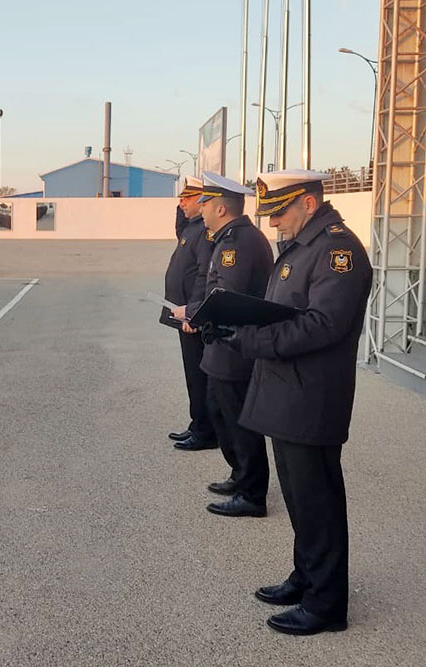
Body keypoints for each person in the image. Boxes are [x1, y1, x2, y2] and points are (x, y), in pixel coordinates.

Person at [231, 169, 372, 635]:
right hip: (287, 392)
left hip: (312, 397)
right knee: (298, 497)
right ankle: (307, 576)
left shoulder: (337, 250)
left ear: (308, 204)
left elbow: (323, 325)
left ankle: (326, 605)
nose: (273, 223)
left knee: (318, 501)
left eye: (280, 212)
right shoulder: (302, 246)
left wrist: (254, 341)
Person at [174, 172, 273, 517]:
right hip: (224, 345)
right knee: (220, 410)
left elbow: (225, 297)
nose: (200, 209)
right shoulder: (230, 237)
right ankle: (240, 475)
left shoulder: (237, 243)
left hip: (235, 346)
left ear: (219, 207)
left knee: (238, 418)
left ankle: (252, 493)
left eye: (205, 204)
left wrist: (194, 313)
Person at [163, 176, 217, 451]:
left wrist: (194, 313)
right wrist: (180, 208)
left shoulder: (204, 233)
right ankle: (198, 424)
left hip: (192, 317)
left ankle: (206, 431)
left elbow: (203, 276)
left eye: (186, 198)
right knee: (192, 374)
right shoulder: (192, 228)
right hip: (184, 313)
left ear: (202, 200)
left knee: (199, 376)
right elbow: (179, 227)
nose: (181, 203)